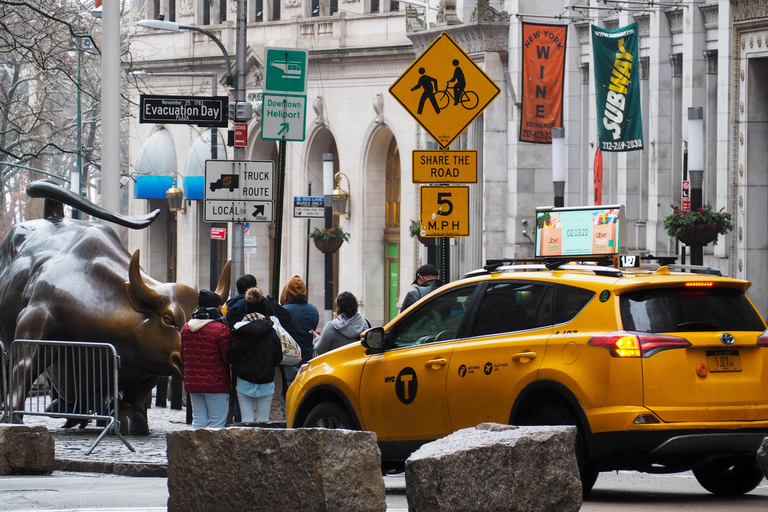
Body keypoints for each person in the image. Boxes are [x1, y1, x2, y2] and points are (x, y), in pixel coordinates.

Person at [228, 287, 283, 423]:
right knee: (264, 420)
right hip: (266, 381)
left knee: (246, 419)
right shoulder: (271, 332)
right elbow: (278, 357)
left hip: (244, 380)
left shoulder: (238, 331)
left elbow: (231, 355)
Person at [180, 289, 231, 429]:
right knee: (217, 423)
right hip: (216, 383)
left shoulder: (186, 328)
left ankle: (195, 450)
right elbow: (227, 358)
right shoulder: (220, 329)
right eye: (219, 304)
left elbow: (182, 356)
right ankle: (211, 451)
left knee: (198, 420)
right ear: (214, 307)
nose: (221, 307)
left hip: (193, 382)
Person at [280, 275, 319, 389]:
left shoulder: (284, 311)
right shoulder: (313, 310)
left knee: (288, 395)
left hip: (289, 359)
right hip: (307, 358)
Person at [313, 291, 371, 356]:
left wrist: (317, 339)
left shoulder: (331, 327)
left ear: (339, 308)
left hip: (337, 365)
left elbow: (320, 350)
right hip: (359, 364)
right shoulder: (366, 323)